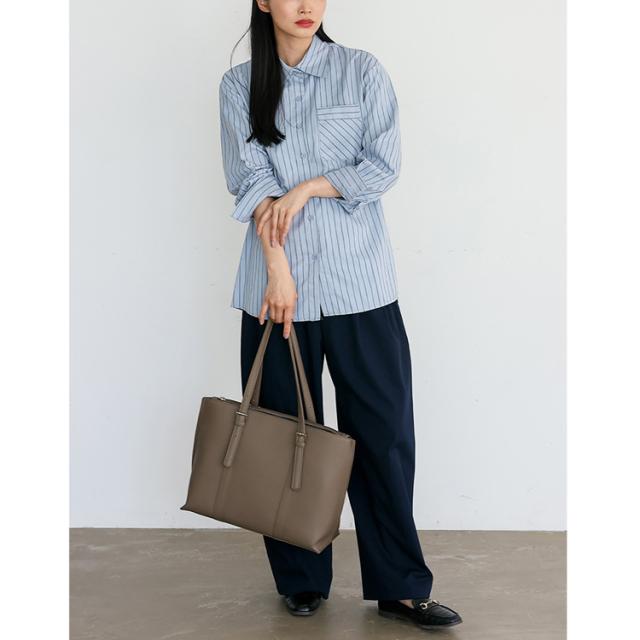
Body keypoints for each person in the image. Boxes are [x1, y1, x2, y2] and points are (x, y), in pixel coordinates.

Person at [218, 0, 463, 631]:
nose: (306, 6)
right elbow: (249, 181)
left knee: (383, 434)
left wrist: (308, 187)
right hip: (276, 291)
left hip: (361, 284)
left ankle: (400, 585)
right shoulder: (239, 85)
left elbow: (381, 165)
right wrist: (278, 270)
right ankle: (301, 579)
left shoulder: (362, 71)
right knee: (286, 435)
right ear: (262, 1)